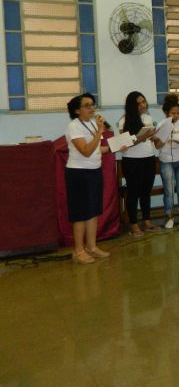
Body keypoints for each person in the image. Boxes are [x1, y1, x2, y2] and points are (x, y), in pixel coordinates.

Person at [65, 93, 113, 263]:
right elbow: (85, 151)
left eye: (92, 104)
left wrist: (115, 146)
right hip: (78, 173)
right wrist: (100, 132)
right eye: (86, 105)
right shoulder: (74, 126)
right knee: (80, 213)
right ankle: (78, 251)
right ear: (77, 110)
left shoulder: (92, 123)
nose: (91, 108)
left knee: (93, 211)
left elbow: (97, 149)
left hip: (94, 171)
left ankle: (91, 247)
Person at [118, 91, 157, 237]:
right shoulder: (124, 120)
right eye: (139, 103)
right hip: (132, 160)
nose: (143, 105)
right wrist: (142, 137)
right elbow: (123, 144)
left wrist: (154, 136)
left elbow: (150, 138)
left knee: (146, 191)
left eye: (144, 101)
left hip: (149, 158)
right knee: (133, 192)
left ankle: (147, 221)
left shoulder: (148, 118)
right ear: (132, 106)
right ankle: (133, 224)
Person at [153, 94, 179, 229]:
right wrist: (163, 138)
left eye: (178, 113)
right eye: (173, 113)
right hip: (166, 161)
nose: (176, 115)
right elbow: (157, 146)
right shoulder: (161, 125)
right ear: (166, 113)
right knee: (169, 190)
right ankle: (169, 217)